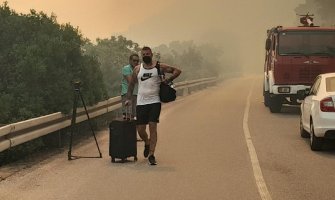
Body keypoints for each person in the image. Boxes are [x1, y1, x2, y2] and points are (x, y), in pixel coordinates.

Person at [125, 46, 181, 165]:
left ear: (151, 54)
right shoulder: (137, 69)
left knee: (152, 126)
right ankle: (147, 142)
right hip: (141, 102)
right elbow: (131, 85)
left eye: (147, 54)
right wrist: (128, 99)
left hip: (154, 102)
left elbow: (177, 71)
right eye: (143, 54)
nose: (146, 55)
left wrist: (167, 80)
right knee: (140, 130)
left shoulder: (159, 66)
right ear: (141, 55)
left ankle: (151, 154)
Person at [121, 53, 139, 119]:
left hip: (135, 93)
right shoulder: (126, 68)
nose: (136, 62)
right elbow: (130, 81)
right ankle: (126, 128)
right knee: (127, 114)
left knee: (135, 115)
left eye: (137, 61)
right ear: (130, 60)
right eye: (134, 60)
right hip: (127, 93)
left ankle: (133, 129)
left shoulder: (138, 68)